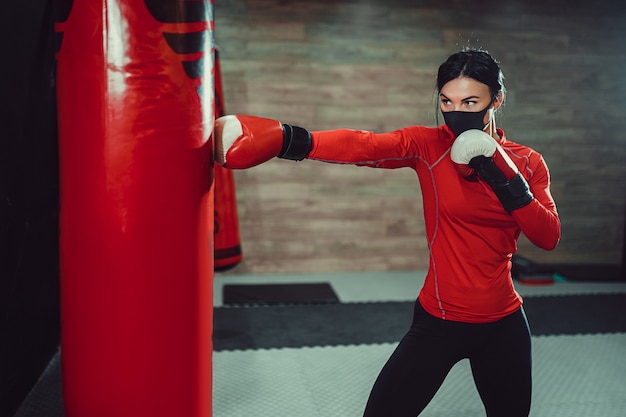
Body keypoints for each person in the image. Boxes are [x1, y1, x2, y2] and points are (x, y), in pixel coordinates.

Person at [213, 48, 561, 417]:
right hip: (439, 321)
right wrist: (287, 139)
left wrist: (503, 174)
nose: (456, 112)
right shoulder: (428, 146)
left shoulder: (527, 161)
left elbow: (548, 236)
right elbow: (364, 145)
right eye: (447, 101)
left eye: (470, 101)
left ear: (497, 99)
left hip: (503, 324)